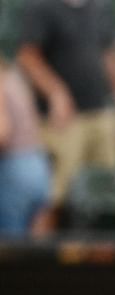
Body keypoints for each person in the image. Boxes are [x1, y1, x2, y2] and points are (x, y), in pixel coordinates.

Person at [16, 0, 115, 235]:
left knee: (107, 194)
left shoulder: (98, 7)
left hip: (100, 114)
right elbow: (28, 57)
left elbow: (109, 56)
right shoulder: (42, 7)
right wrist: (56, 92)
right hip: (64, 120)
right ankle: (36, 263)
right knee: (54, 197)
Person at [0, 56, 51, 238]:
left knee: (11, 254)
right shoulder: (14, 76)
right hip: (38, 166)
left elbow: (2, 132)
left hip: (14, 171)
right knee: (34, 254)